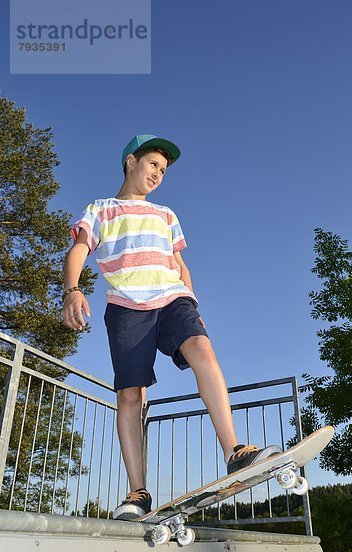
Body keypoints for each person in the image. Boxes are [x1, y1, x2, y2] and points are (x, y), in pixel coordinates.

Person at [62, 134, 281, 520]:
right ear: (131, 161)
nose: (158, 174)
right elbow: (79, 248)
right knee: (131, 394)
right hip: (127, 307)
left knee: (202, 348)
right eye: (153, 165)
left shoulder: (166, 215)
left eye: (163, 171)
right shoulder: (101, 209)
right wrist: (72, 290)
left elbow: (180, 264)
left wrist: (192, 300)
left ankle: (234, 452)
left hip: (172, 298)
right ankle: (137, 492)